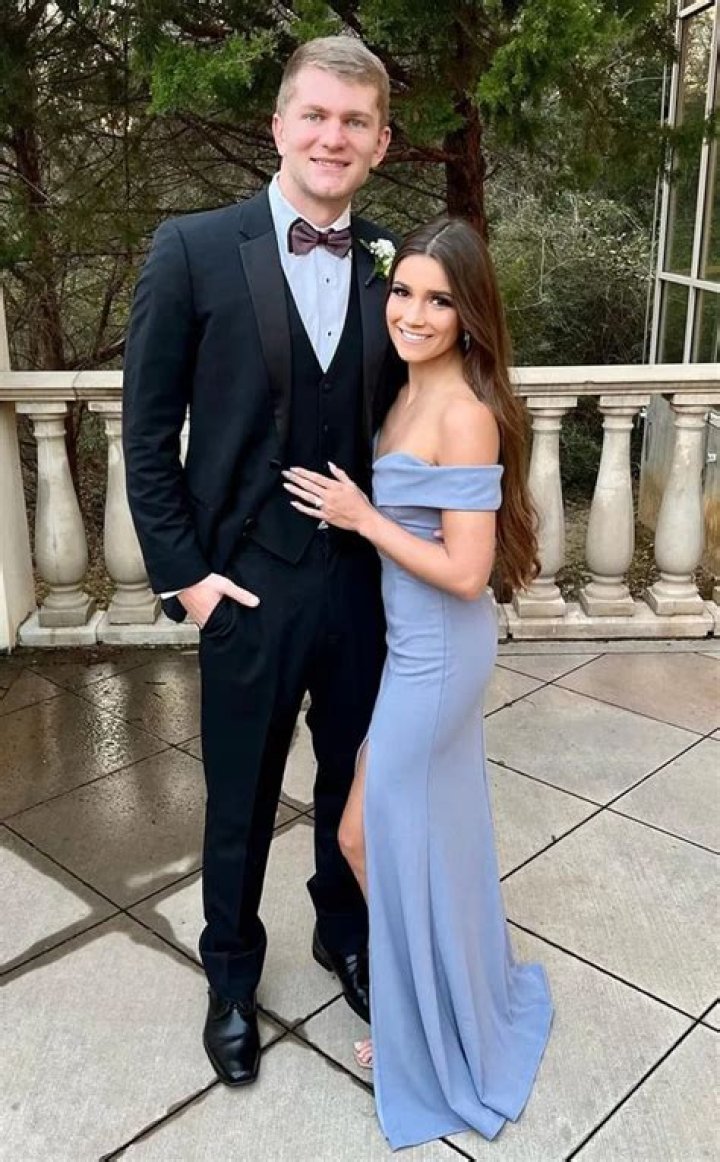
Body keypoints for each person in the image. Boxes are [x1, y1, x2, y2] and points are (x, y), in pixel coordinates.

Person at [122, 36, 404, 1087]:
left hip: (361, 583)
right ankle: (232, 975)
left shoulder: (395, 266)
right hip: (243, 583)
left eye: (355, 121)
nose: (333, 136)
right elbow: (146, 434)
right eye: (315, 115)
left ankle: (344, 931)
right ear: (279, 125)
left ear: (380, 143)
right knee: (238, 796)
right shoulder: (192, 248)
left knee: (354, 778)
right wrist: (190, 582)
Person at [283, 217, 554, 1148]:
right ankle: (441, 1006)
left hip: (440, 653)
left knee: (364, 835)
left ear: (470, 315)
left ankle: (431, 1030)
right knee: (419, 835)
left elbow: (469, 572)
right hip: (413, 650)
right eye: (403, 291)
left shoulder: (463, 414)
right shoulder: (403, 391)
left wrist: (363, 516)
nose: (414, 313)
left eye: (440, 300)